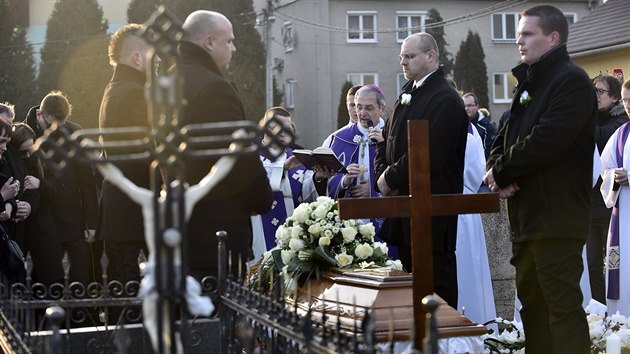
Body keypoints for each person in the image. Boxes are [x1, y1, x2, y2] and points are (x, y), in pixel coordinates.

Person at [483, 5, 596, 353]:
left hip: (557, 216)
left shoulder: (571, 80)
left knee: (561, 310)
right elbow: (504, 136)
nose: (519, 41)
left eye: (528, 34)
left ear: (553, 37)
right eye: (518, 34)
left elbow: (548, 139)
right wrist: (496, 171)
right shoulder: (530, 81)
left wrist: (503, 172)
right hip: (527, 215)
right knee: (533, 308)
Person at [374, 32, 468, 307]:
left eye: (409, 56)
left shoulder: (445, 98)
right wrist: (383, 173)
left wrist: (390, 178)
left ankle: (443, 345)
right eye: (401, 57)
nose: (403, 62)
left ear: (431, 56)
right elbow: (386, 138)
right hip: (405, 209)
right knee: (410, 286)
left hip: (432, 211)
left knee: (436, 286)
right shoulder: (408, 93)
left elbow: (430, 152)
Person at [179, 10, 273, 279]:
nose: (233, 48)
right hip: (216, 227)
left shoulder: (170, 79)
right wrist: (262, 199)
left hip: (178, 222)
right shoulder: (214, 88)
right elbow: (237, 158)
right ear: (209, 43)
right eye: (229, 41)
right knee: (218, 315)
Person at [98, 23, 156, 283]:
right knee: (134, 295)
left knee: (124, 291)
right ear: (137, 58)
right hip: (135, 210)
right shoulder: (135, 94)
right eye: (154, 57)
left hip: (121, 209)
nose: (157, 65)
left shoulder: (114, 89)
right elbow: (149, 152)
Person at [24, 92, 99, 284]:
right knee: (51, 283)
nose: (58, 127)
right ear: (41, 114)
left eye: (63, 122)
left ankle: (82, 313)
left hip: (73, 218)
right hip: (44, 219)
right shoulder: (26, 135)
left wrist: (91, 222)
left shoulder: (75, 132)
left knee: (80, 280)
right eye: (54, 122)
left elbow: (87, 181)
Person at [250, 107, 331, 261]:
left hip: (291, 229)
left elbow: (307, 194)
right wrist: (283, 168)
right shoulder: (251, 155)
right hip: (260, 227)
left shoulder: (297, 156)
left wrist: (318, 179)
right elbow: (251, 185)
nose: (283, 132)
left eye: (288, 128)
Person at [588, 75, 629, 304]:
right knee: (593, 264)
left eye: (600, 92)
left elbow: (600, 137)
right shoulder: (593, 119)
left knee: (616, 262)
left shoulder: (620, 124)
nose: (595, 96)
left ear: (614, 97)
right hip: (592, 205)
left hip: (613, 209)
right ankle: (598, 310)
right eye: (593, 91)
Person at [455, 122, 496, 325]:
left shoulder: (430, 127)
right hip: (465, 204)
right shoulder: (469, 133)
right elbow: (477, 171)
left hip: (456, 206)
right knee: (469, 270)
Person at [600, 78, 630, 316]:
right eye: (626, 100)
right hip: (623, 214)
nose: (628, 105)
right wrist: (613, 176)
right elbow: (603, 169)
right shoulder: (620, 134)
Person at [463, 93, 497, 160]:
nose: (466, 109)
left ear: (477, 106)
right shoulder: (460, 125)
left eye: (469, 105)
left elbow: (488, 152)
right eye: (464, 106)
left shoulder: (487, 127)